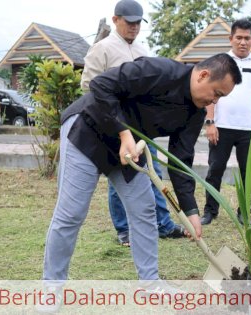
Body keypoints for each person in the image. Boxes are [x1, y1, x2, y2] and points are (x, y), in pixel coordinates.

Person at [42, 54, 241, 283]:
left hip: (130, 149)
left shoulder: (195, 113)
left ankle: (150, 284)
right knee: (72, 213)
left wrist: (191, 212)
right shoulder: (160, 70)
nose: (215, 102)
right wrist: (124, 133)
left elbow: (180, 160)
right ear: (203, 75)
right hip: (88, 131)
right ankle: (51, 288)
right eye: (216, 93)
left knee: (145, 210)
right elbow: (101, 85)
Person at [81, 0, 185, 247]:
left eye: (138, 23)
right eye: (130, 22)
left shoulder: (141, 50)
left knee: (154, 173)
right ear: (116, 20)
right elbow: (88, 86)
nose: (135, 27)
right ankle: (123, 230)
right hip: (112, 122)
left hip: (139, 125)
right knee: (120, 176)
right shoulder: (102, 49)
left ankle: (164, 224)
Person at [200, 19, 251, 225]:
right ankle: (210, 211)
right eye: (238, 37)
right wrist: (210, 122)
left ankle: (244, 212)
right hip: (221, 127)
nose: (242, 42)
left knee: (247, 173)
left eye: (247, 38)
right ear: (230, 39)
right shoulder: (219, 62)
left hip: (249, 130)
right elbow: (210, 93)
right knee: (215, 170)